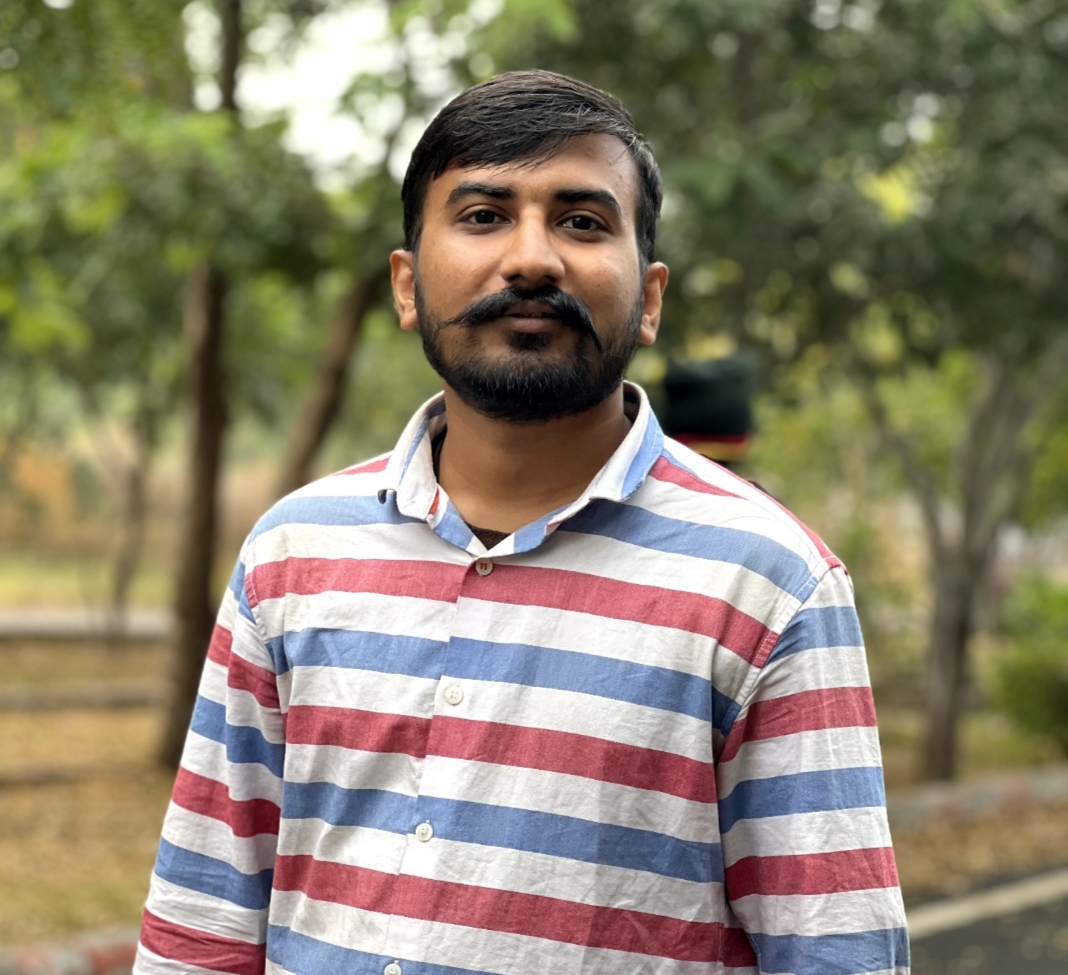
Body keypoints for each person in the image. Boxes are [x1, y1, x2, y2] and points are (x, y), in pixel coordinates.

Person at [135, 70, 909, 975]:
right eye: (483, 215)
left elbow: (839, 954)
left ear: (651, 298)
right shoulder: (292, 554)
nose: (533, 258)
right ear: (407, 286)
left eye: (581, 221)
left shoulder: (771, 584)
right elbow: (201, 927)